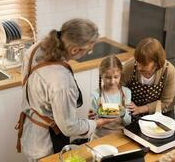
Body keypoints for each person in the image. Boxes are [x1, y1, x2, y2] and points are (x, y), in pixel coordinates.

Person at [15, 18, 115, 162]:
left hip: (30, 132)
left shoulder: (36, 47)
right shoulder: (61, 81)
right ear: (74, 50)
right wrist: (97, 123)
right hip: (46, 144)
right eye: (89, 48)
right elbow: (69, 127)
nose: (90, 51)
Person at [122, 37, 175, 116]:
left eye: (144, 65)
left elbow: (165, 101)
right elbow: (118, 89)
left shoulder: (168, 71)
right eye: (137, 61)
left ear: (156, 63)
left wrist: (140, 109)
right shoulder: (129, 67)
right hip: (130, 114)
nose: (138, 67)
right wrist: (126, 101)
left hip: (155, 115)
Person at [89, 55, 131, 139]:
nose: (112, 81)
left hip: (119, 137)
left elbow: (127, 122)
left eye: (116, 77)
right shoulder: (96, 95)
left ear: (120, 75)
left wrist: (123, 113)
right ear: (101, 75)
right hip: (99, 137)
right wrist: (91, 119)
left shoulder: (126, 93)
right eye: (108, 77)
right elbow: (94, 125)